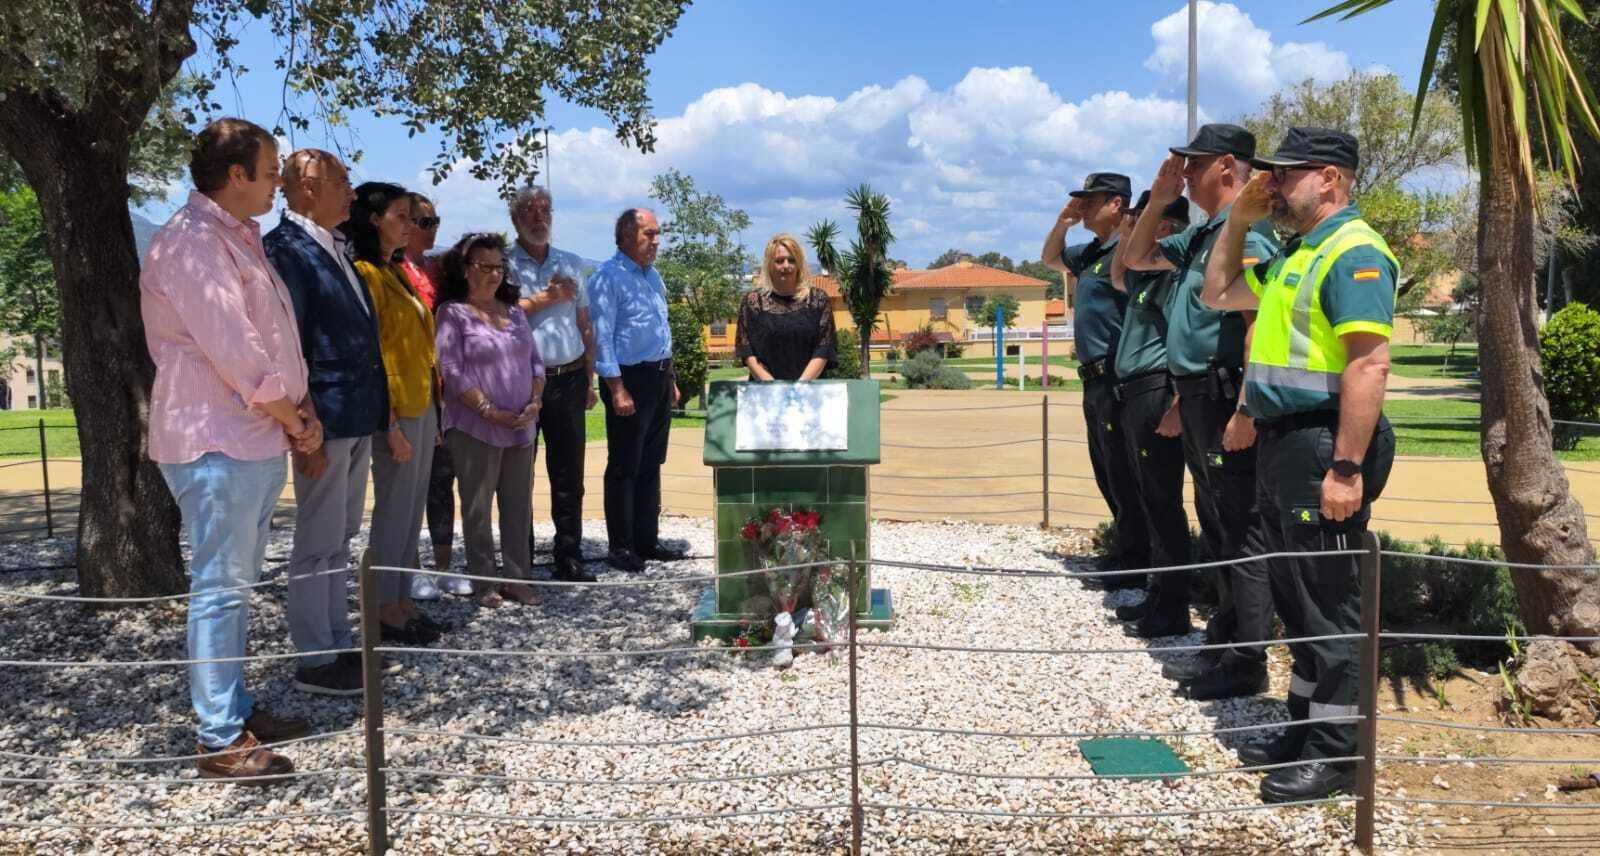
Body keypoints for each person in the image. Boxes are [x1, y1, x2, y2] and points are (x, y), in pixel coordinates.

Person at [1202, 126, 1398, 802]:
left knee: (1329, 603)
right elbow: (1217, 292)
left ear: (1331, 180)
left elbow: (1369, 362)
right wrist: (1237, 219)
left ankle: (1339, 753)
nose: (1275, 185)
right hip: (1283, 443)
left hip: (1321, 444)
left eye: (1288, 175)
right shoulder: (1297, 253)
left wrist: (1345, 467)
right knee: (1297, 599)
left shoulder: (1354, 251)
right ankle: (1306, 729)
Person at [140, 117, 317, 780]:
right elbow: (235, 350)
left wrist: (292, 413)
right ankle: (218, 736)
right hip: (216, 437)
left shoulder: (232, 238)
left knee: (235, 583)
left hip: (248, 434)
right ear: (236, 174)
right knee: (219, 585)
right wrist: (293, 417)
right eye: (270, 169)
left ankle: (233, 707)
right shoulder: (191, 243)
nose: (277, 180)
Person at [1121, 124, 1280, 679]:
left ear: (1229, 168)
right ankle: (1226, 634)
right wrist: (1159, 201)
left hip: (1222, 390)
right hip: (1196, 394)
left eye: (1195, 163)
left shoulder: (1248, 235)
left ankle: (1245, 656)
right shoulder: (1205, 233)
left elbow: (1258, 321)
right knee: (1215, 521)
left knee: (1239, 526)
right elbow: (1134, 260)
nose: (1184, 173)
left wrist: (1246, 406)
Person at [264, 149, 387, 696]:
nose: (352, 193)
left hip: (355, 414)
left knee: (340, 536)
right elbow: (291, 345)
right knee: (317, 539)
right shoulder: (286, 250)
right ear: (309, 186)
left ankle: (337, 640)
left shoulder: (335, 247)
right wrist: (302, 425)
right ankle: (314, 656)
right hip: (324, 420)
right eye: (342, 182)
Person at [344, 182, 448, 645]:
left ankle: (402, 601)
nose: (410, 225)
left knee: (410, 513)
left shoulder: (398, 271)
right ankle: (384, 606)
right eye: (401, 216)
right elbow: (374, 351)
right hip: (397, 410)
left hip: (421, 403)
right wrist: (388, 423)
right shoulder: (367, 272)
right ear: (374, 220)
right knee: (393, 511)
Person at [1040, 172, 1148, 592]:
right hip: (1093, 379)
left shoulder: (1127, 250)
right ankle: (1125, 549)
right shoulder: (1091, 254)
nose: (1083, 206)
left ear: (1117, 204)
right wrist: (1064, 223)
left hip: (1116, 376)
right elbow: (1051, 258)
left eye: (1092, 200)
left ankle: (1137, 560)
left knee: (1125, 470)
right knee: (1106, 467)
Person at [436, 233, 545, 607]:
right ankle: (484, 583)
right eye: (485, 266)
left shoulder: (514, 311)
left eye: (499, 266)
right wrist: (486, 409)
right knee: (477, 509)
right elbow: (451, 369)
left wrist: (535, 400)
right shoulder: (452, 313)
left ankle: (519, 579)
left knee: (518, 507)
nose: (494, 274)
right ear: (465, 269)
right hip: (475, 428)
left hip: (521, 426)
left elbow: (535, 360)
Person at [1107, 191, 1193, 624]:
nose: (1133, 223)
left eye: (1142, 218)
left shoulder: (1172, 276)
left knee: (1163, 498)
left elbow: (1180, 343)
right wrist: (1127, 234)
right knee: (1149, 497)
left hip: (1157, 389)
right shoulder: (1147, 277)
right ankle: (1158, 592)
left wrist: (1177, 403)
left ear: (1164, 227)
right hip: (1136, 391)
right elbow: (1119, 274)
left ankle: (1174, 603)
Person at [507, 186, 599, 584]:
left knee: (568, 475)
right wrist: (548, 296)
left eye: (545, 210)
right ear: (515, 219)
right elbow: (501, 314)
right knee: (517, 476)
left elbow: (584, 323)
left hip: (569, 378)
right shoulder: (505, 265)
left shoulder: (572, 262)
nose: (538, 218)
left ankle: (569, 553)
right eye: (529, 211)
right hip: (520, 385)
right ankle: (519, 558)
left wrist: (591, 378)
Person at [588, 208, 684, 573]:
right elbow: (602, 337)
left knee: (651, 463)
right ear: (628, 235)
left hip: (658, 378)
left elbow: (662, 329)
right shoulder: (606, 278)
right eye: (650, 234)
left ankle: (647, 540)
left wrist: (670, 379)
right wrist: (616, 389)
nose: (657, 241)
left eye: (658, 234)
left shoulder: (652, 276)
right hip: (628, 380)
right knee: (624, 467)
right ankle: (622, 546)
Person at [400, 192, 472, 599]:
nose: (432, 230)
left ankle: (443, 566)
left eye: (435, 222)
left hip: (444, 390)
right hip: (411, 388)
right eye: (425, 222)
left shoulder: (438, 270)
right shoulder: (392, 270)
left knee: (443, 480)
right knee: (409, 484)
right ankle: (408, 566)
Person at [736, 234, 836, 381]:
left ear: (799, 264)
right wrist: (773, 387)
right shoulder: (752, 302)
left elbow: (824, 348)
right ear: (769, 264)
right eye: (779, 261)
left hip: (810, 392)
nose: (786, 266)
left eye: (791, 260)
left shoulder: (818, 300)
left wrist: (798, 388)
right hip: (765, 392)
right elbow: (747, 351)